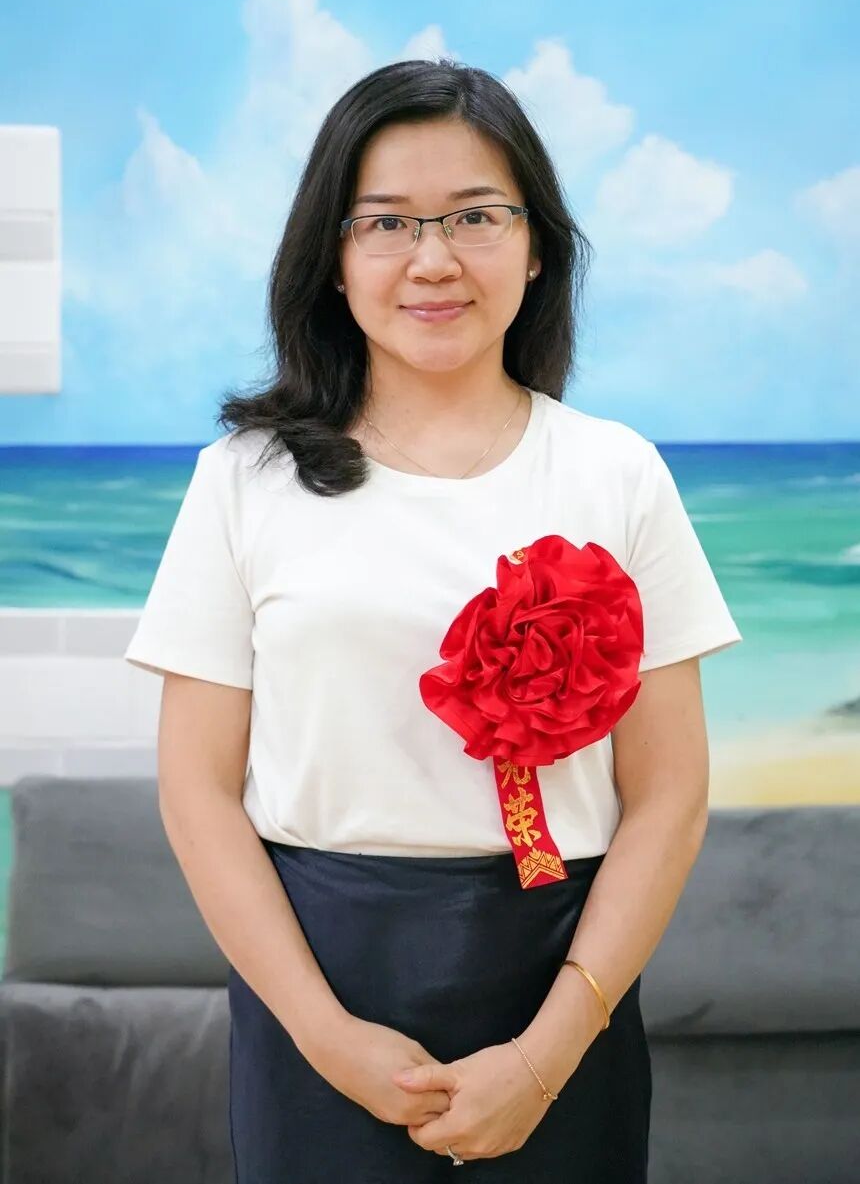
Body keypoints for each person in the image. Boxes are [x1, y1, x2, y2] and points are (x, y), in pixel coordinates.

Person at [124, 58, 743, 1182]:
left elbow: (670, 794)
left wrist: (547, 1055)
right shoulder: (244, 479)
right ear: (332, 257)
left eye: (474, 215)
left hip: (563, 984)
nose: (433, 258)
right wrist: (325, 1035)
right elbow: (196, 791)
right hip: (319, 980)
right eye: (386, 222)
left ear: (537, 244)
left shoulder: (617, 473)